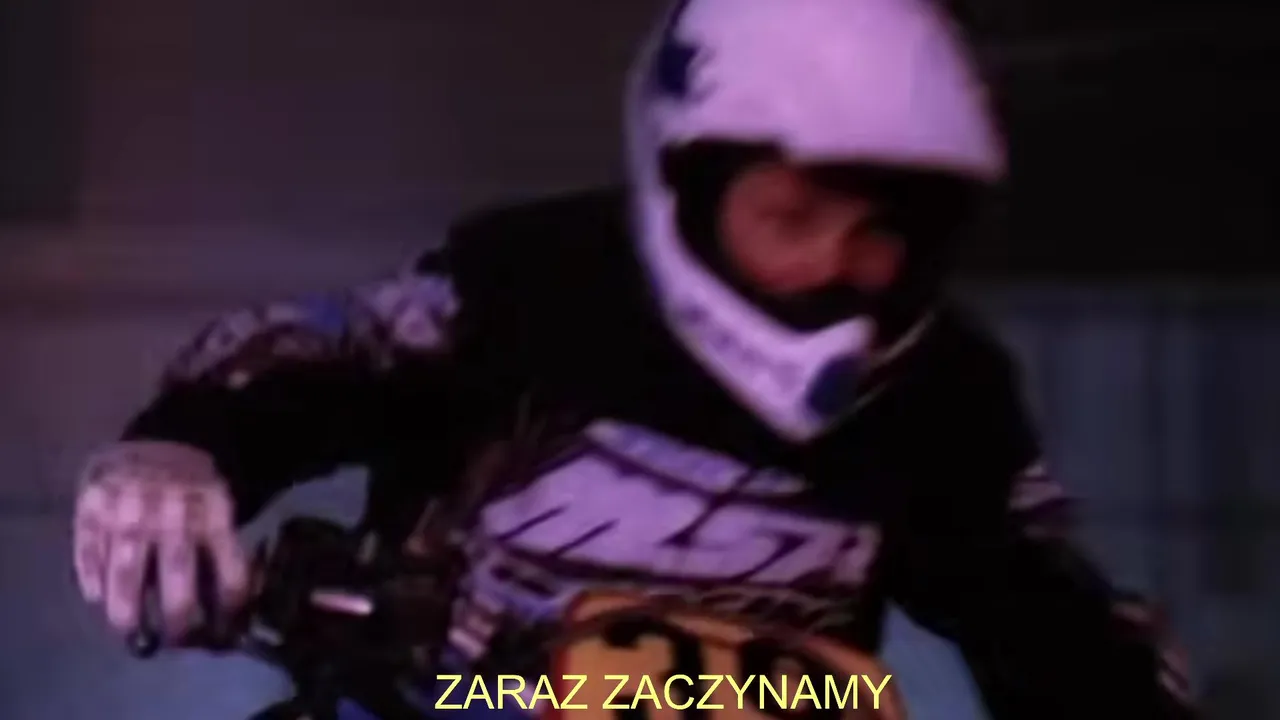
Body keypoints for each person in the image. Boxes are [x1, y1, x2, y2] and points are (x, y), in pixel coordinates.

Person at [72, 0, 1197, 717]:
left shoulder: (941, 392)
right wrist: (188, 450)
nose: (833, 265)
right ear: (689, 184)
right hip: (447, 701)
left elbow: (1035, 614)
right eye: (792, 216)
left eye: (880, 232)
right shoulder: (533, 283)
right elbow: (324, 358)